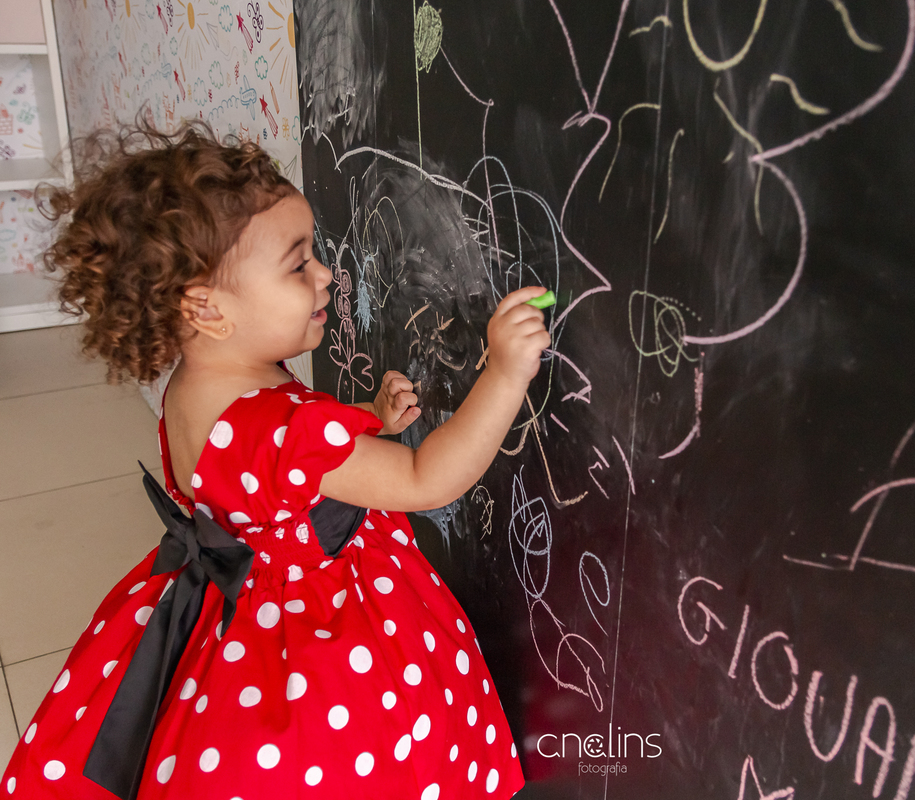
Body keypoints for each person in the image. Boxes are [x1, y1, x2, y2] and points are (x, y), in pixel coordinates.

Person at [1, 115, 544, 799]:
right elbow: (427, 478)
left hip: (231, 612)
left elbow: (267, 485)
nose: (326, 274)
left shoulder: (193, 389)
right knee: (376, 757)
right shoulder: (278, 424)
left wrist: (364, 425)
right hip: (323, 632)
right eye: (299, 263)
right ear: (208, 309)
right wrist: (503, 372)